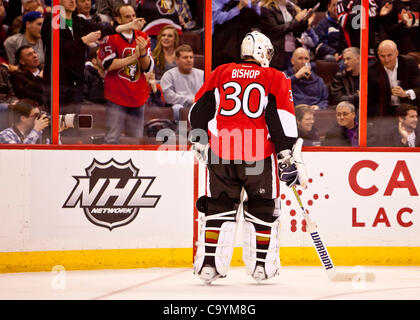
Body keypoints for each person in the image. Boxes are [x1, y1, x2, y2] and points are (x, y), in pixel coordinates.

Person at [189, 31, 308, 285]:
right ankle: (261, 268)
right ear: (262, 53)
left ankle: (209, 265)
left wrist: (200, 140)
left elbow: (197, 110)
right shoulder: (274, 77)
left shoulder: (221, 72)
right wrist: (286, 154)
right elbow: (281, 120)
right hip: (258, 156)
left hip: (222, 153)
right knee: (262, 207)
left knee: (219, 206)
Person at [99, 4, 153, 144]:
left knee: (136, 140)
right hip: (116, 96)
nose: (132, 19)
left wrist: (142, 54)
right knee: (112, 139)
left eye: (133, 15)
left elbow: (147, 67)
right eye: (127, 17)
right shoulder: (110, 37)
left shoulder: (143, 36)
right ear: (118, 19)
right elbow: (109, 65)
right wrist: (134, 56)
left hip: (138, 95)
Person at [367, 40, 420, 120]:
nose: (386, 60)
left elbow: (418, 88)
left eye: (389, 55)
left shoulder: (409, 63)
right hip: (386, 112)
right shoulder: (372, 70)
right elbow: (373, 100)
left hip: (408, 107)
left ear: (397, 53)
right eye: (382, 56)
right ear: (378, 55)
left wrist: (405, 93)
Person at [260, 0, 314, 71]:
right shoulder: (267, 9)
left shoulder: (290, 7)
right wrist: (296, 20)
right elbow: (275, 30)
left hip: (294, 49)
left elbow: (298, 31)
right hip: (278, 52)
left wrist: (304, 20)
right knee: (281, 78)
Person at [211, 0, 261, 69]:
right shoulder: (216, 2)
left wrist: (254, 4)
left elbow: (257, 20)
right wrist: (238, 7)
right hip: (223, 42)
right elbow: (218, 18)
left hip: (242, 41)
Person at [160, 44, 203, 120]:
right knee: (177, 109)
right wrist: (189, 100)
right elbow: (168, 96)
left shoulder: (202, 74)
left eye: (191, 57)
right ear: (177, 60)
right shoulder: (169, 75)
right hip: (180, 106)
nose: (189, 60)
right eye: (185, 57)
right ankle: (182, 131)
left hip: (199, 106)